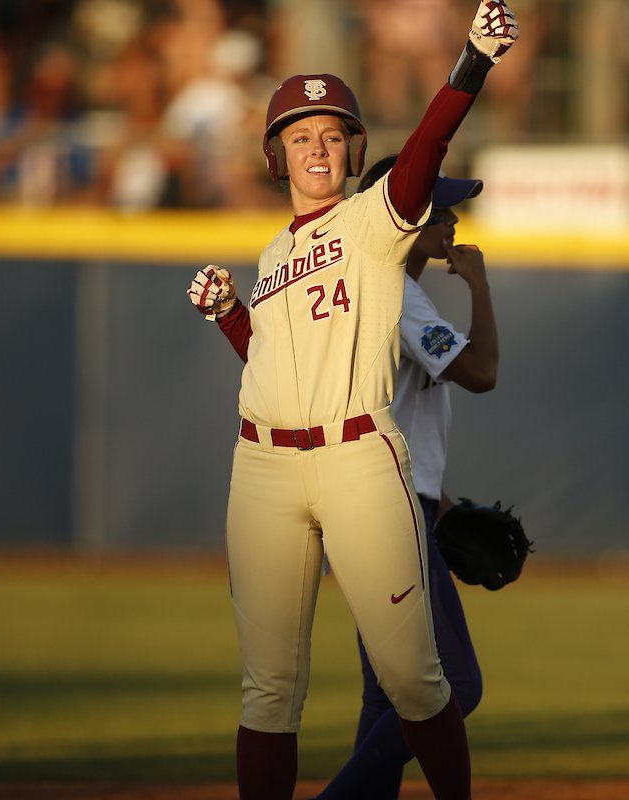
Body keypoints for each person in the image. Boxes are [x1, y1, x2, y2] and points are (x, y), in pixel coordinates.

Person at [185, 3, 518, 798]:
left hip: (358, 457)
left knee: (416, 680)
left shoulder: (377, 222)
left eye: (333, 134)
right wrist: (232, 313)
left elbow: (428, 151)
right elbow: (270, 363)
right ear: (277, 156)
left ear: (352, 150)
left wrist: (472, 59)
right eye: (301, 136)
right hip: (262, 464)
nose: (318, 148)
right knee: (268, 692)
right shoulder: (272, 253)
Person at [317, 154, 499, 799]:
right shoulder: (397, 291)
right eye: (439, 208)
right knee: (453, 685)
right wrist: (479, 285)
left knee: (386, 696)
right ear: (402, 216)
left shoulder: (374, 286)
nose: (452, 220)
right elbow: (481, 374)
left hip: (369, 500)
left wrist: (440, 502)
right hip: (388, 511)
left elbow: (387, 412)